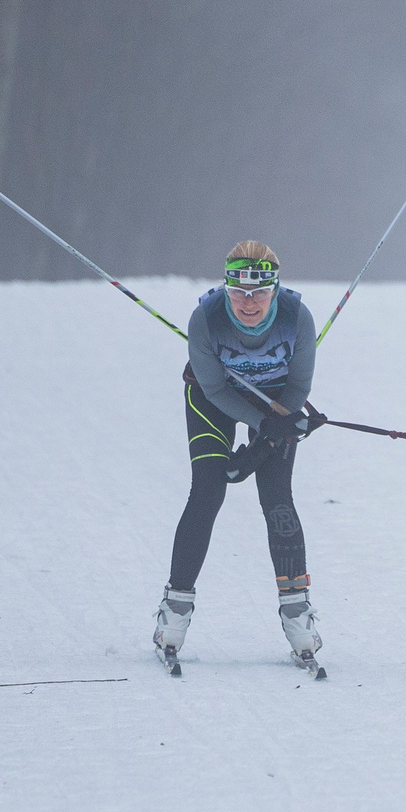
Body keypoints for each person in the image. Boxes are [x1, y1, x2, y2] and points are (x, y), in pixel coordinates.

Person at [152, 241, 323, 669]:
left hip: (277, 402)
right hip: (214, 401)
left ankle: (298, 616)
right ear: (227, 289)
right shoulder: (205, 319)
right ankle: (173, 614)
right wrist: (265, 427)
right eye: (239, 293)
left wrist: (276, 423)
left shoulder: (297, 317)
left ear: (275, 290)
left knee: (277, 497)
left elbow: (300, 384)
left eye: (259, 293)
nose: (249, 303)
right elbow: (213, 389)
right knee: (208, 491)